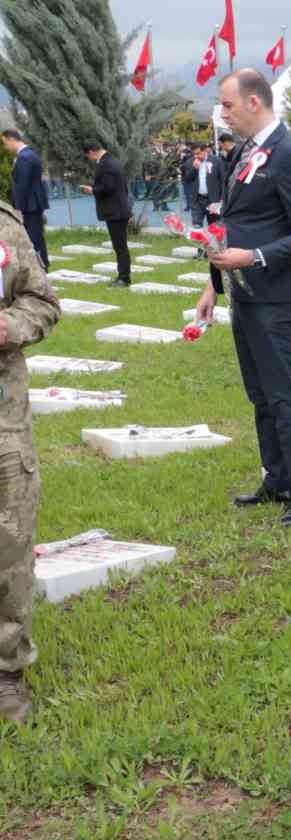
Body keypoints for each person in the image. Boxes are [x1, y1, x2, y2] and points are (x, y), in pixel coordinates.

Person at [192, 69, 291, 528]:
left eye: (227, 104)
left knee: (281, 394)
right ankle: (277, 478)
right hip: (242, 293)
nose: (222, 113)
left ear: (254, 102)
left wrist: (254, 257)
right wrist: (214, 284)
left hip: (274, 294)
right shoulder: (245, 151)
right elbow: (236, 222)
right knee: (260, 393)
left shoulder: (290, 153)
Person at [0, 196, 62, 724]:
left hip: (1, 412)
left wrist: (9, 326)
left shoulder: (3, 227)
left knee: (9, 539)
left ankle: (6, 670)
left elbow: (41, 301)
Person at [79, 143, 132, 287]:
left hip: (115, 211)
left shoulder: (105, 164)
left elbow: (108, 187)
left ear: (91, 152)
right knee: (120, 246)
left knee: (120, 247)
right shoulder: (113, 161)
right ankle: (122, 276)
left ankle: (124, 278)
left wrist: (92, 190)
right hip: (119, 208)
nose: (89, 159)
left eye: (88, 156)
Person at [2, 130, 49, 269]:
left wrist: (18, 208)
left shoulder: (24, 157)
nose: (6, 147)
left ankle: (40, 267)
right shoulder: (29, 154)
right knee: (37, 236)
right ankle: (43, 264)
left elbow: (23, 185)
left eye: (5, 143)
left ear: (11, 139)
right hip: (33, 203)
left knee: (33, 237)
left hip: (30, 204)